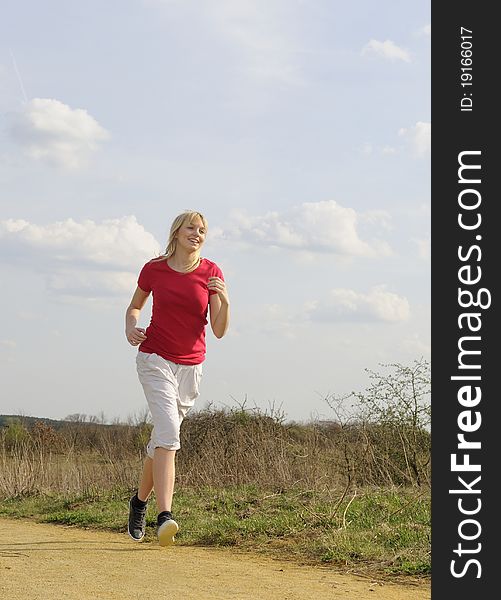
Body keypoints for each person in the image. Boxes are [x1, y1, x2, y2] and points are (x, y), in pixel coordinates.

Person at [124, 210, 230, 546]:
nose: (197, 234)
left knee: (161, 439)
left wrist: (225, 300)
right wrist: (130, 326)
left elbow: (219, 330)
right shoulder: (154, 268)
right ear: (177, 232)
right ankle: (164, 516)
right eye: (191, 228)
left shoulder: (211, 272)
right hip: (155, 358)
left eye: (202, 230)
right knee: (169, 434)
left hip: (191, 366)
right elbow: (134, 306)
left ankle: (137, 503)